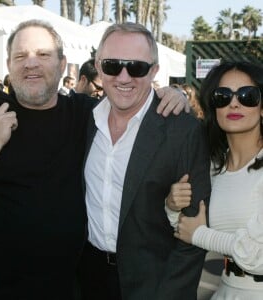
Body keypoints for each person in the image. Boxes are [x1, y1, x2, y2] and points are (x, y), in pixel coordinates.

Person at [0, 19, 189, 300]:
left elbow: (130, 101)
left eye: (43, 55)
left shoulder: (87, 115)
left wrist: (173, 94)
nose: (31, 64)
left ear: (62, 64)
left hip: (69, 287)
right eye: (21, 56)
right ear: (9, 65)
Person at [79, 22, 211, 300]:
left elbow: (194, 232)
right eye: (113, 65)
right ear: (99, 67)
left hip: (153, 286)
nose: (124, 77)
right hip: (88, 278)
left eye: (137, 67)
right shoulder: (84, 119)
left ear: (154, 71)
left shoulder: (182, 130)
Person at [166, 61, 263, 299]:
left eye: (247, 95)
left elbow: (258, 255)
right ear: (213, 107)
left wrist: (200, 235)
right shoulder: (213, 168)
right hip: (226, 290)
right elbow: (188, 226)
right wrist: (172, 206)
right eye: (223, 96)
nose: (234, 102)